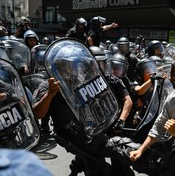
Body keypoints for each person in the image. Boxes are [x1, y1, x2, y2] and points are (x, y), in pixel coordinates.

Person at [32, 43, 133, 176]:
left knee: (121, 159)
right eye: (67, 64)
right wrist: (49, 94)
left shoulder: (81, 79)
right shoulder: (48, 85)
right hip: (73, 136)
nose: (72, 68)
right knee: (98, 168)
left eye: (74, 64)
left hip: (92, 130)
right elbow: (38, 114)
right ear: (57, 65)